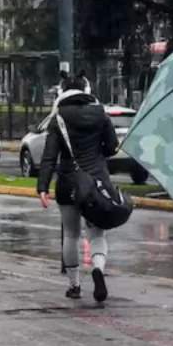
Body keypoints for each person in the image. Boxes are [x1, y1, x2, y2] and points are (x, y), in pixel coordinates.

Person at [36, 78, 119, 301]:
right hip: (96, 183)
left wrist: (42, 187)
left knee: (71, 235)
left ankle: (74, 286)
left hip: (69, 182)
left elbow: (49, 156)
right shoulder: (100, 113)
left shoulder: (59, 117)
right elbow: (111, 148)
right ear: (87, 90)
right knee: (97, 234)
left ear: (62, 92)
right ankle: (98, 269)